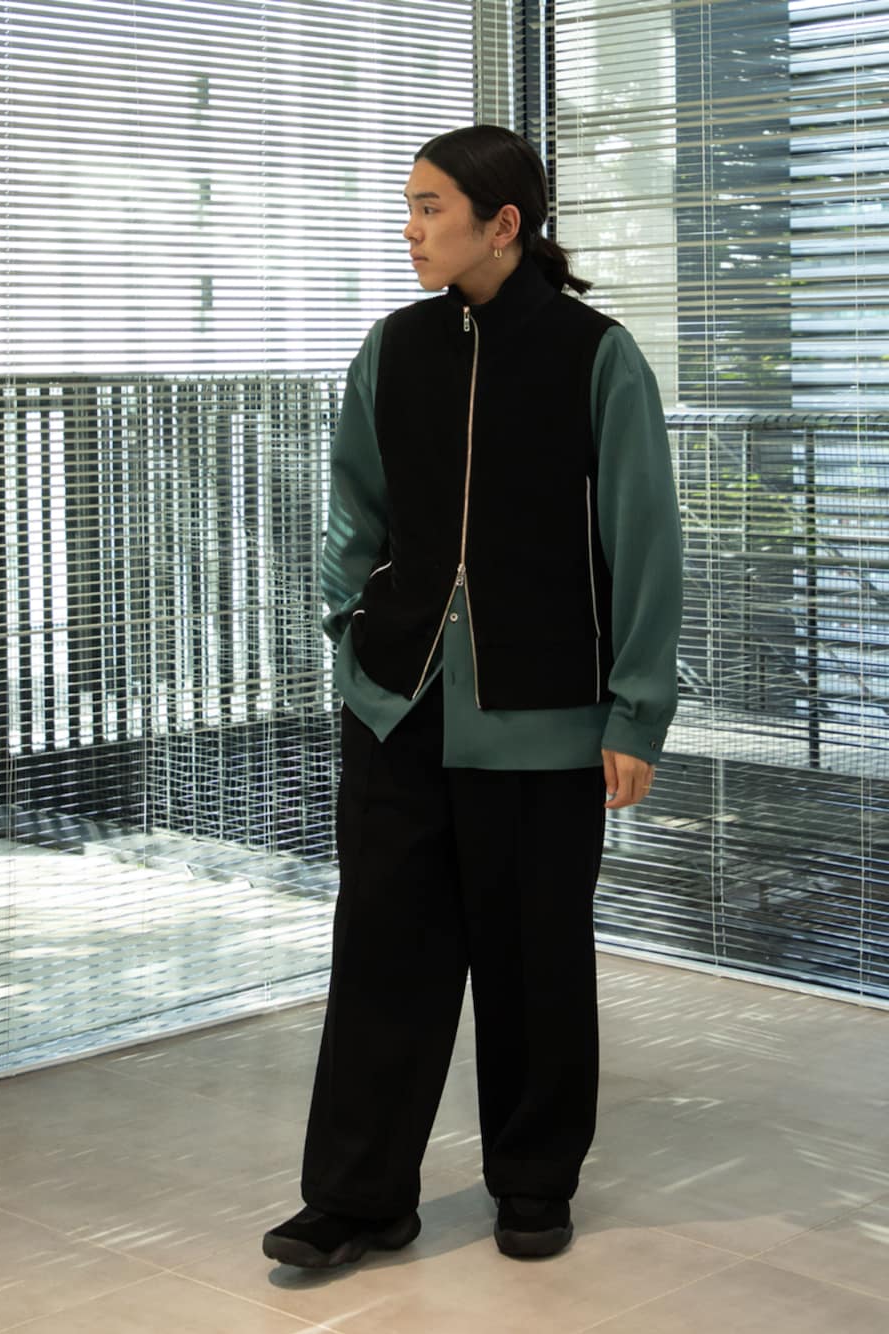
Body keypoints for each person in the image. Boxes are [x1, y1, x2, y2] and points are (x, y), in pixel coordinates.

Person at [262, 124, 682, 1270]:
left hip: (544, 720)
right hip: (395, 704)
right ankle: (357, 1196)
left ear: (502, 223)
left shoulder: (596, 355)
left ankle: (534, 1181)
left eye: (429, 206)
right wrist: (350, 636)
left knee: (534, 960)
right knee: (381, 955)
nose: (409, 228)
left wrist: (636, 707)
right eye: (408, 204)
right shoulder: (392, 347)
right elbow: (353, 512)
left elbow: (643, 539)